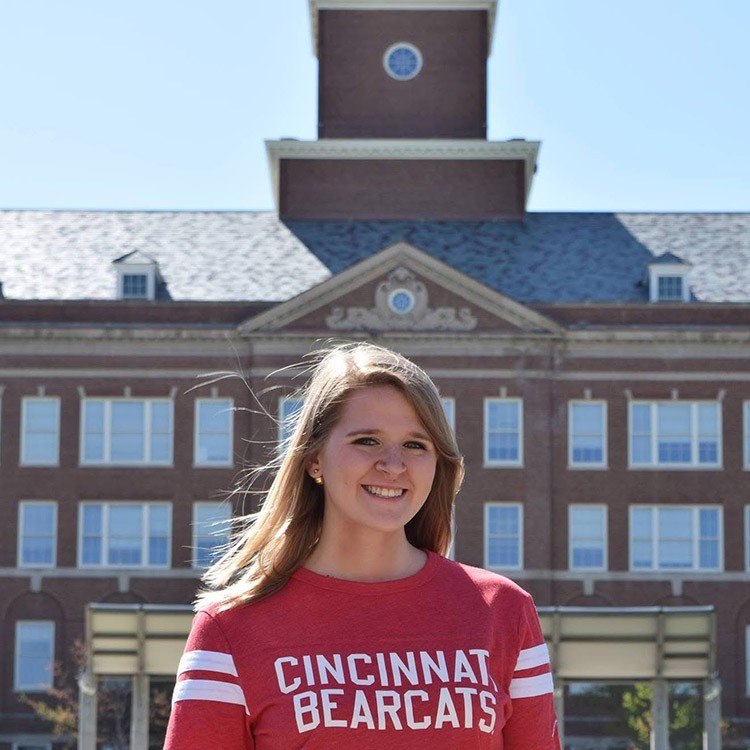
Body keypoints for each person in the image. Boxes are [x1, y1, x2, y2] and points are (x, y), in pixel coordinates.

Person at [164, 342, 560, 749]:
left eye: (415, 444)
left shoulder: (504, 611)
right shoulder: (230, 628)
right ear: (314, 459)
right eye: (367, 440)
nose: (393, 465)